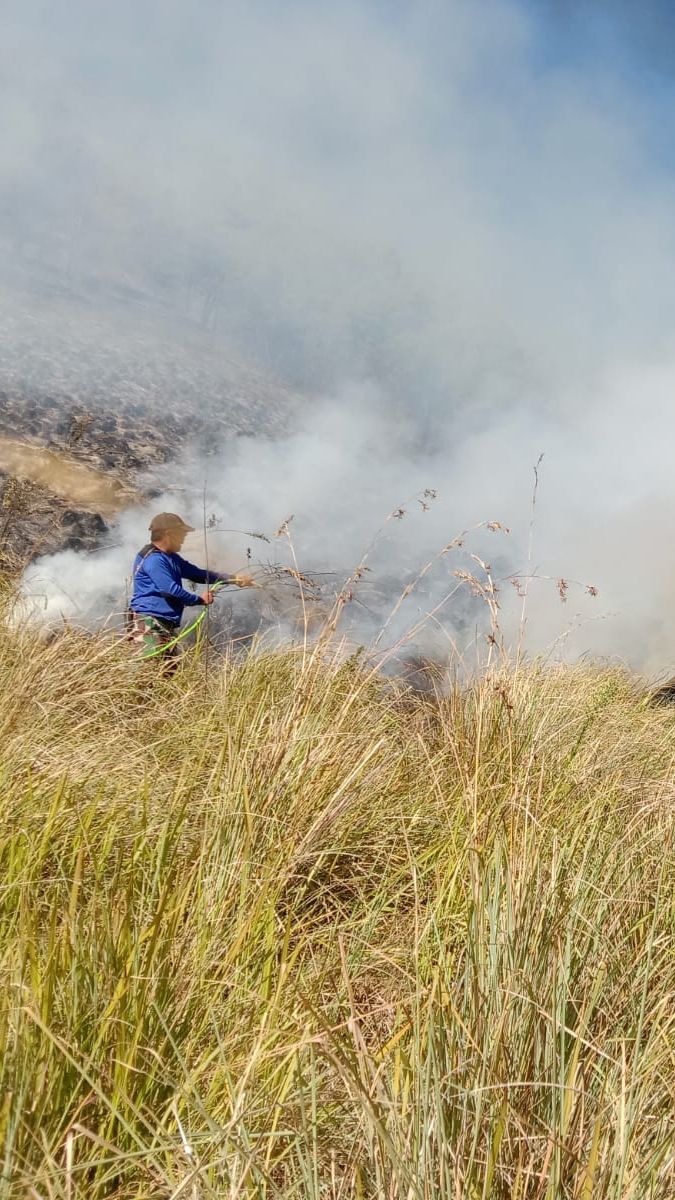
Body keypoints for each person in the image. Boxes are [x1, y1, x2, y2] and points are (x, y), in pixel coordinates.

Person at [128, 512, 254, 660]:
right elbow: (171, 590)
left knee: (167, 672)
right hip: (148, 624)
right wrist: (199, 600)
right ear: (169, 534)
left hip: (161, 624)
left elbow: (198, 574)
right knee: (149, 673)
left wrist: (233, 579)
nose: (183, 539)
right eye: (181, 534)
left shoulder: (170, 558)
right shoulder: (154, 559)